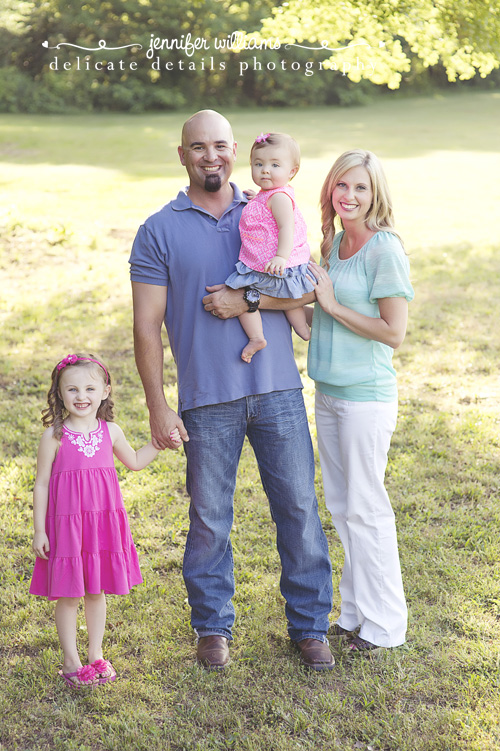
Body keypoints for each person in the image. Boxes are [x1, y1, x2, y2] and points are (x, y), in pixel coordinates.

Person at [129, 109, 334, 671]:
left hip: (277, 389)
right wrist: (157, 404)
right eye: (198, 147)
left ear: (235, 149)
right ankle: (213, 628)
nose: (210, 156)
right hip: (205, 398)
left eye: (220, 145)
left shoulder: (270, 204)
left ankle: (311, 626)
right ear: (182, 156)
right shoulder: (158, 229)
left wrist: (245, 301)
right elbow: (146, 325)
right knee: (209, 517)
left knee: (296, 507)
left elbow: (305, 288)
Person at [306, 149, 414, 654]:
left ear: (376, 195)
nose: (349, 196)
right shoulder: (332, 244)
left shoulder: (382, 249)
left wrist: (329, 303)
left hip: (365, 399)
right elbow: (317, 322)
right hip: (327, 394)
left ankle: (385, 626)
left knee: (367, 510)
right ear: (330, 188)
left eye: (361, 188)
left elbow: (394, 332)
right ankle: (354, 615)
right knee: (344, 508)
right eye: (342, 186)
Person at [29, 353, 177, 688]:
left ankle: (95, 654)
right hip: (66, 526)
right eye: (72, 390)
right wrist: (39, 529)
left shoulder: (110, 431)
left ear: (105, 391)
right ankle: (71, 660)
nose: (81, 396)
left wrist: (160, 442)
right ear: (59, 394)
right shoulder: (54, 436)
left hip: (99, 527)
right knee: (68, 594)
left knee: (96, 591)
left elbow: (136, 461)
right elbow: (40, 483)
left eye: (89, 388)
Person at [224, 132, 313, 363]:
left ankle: (260, 336)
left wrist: (281, 257)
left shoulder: (280, 198)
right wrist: (257, 198)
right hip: (268, 265)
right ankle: (300, 330)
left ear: (292, 172)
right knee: (286, 297)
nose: (265, 170)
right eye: (259, 164)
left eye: (275, 165)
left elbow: (287, 228)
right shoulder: (268, 195)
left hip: (276, 265)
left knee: (241, 295)